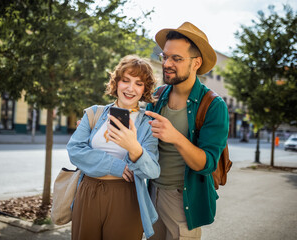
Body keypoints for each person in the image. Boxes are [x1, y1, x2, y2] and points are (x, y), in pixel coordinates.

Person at [145, 22, 229, 239]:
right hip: (151, 192)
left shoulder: (213, 105)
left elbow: (206, 164)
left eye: (176, 58)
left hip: (183, 200)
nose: (167, 63)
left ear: (196, 63)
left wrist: (174, 137)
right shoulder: (158, 95)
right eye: (165, 57)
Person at [67, 55, 160, 240]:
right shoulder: (94, 113)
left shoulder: (148, 124)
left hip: (127, 196)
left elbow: (153, 171)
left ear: (145, 89)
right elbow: (75, 150)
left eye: (138, 83)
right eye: (125, 80)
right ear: (116, 82)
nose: (130, 88)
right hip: (88, 192)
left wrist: (134, 148)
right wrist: (116, 166)